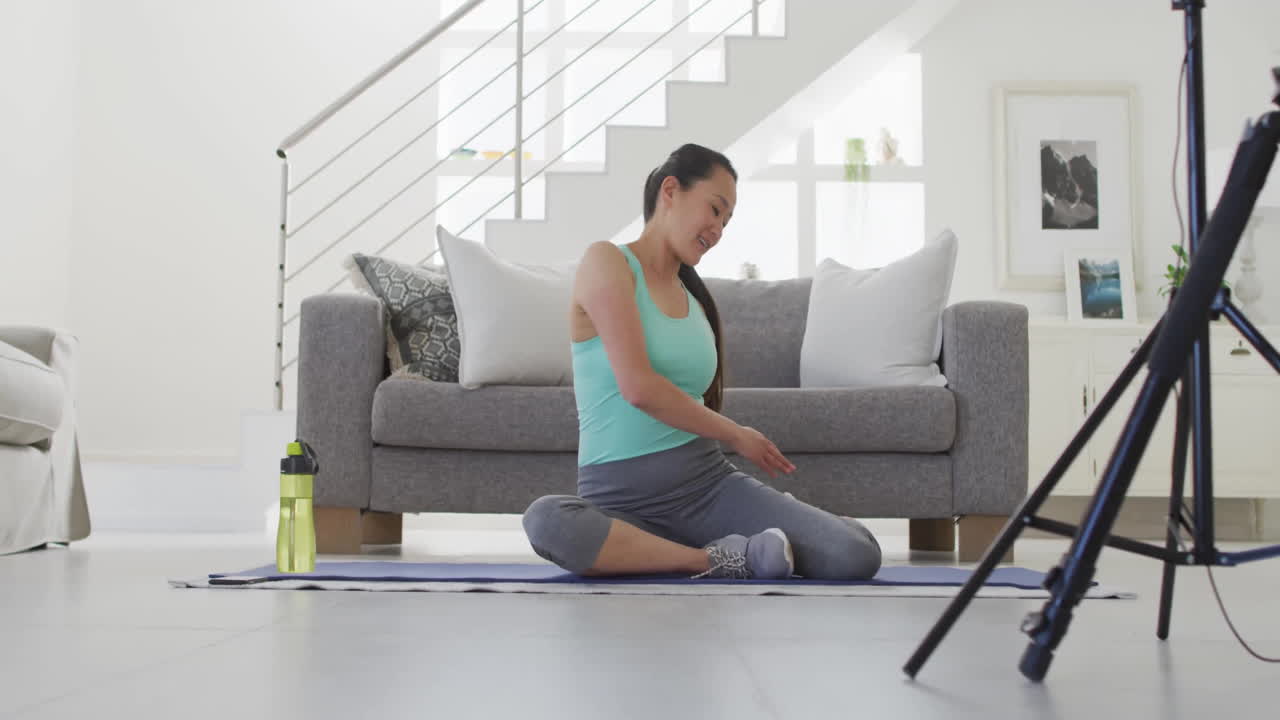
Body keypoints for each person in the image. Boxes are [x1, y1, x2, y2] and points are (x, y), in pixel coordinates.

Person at [522, 143, 882, 580]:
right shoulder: (608, 261)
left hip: (707, 489)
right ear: (670, 191)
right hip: (617, 504)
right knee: (547, 521)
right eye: (714, 209)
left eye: (726, 221)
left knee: (856, 553)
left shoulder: (696, 301)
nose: (718, 229)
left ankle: (700, 550)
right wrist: (738, 435)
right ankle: (718, 558)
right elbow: (638, 387)